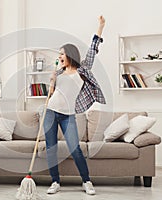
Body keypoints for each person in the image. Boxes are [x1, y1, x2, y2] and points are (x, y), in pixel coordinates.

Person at [43, 15, 106, 195]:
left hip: (68, 115)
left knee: (75, 148)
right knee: (51, 149)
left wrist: (100, 26)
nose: (59, 56)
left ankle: (86, 181)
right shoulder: (58, 73)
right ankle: (55, 181)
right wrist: (52, 81)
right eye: (59, 54)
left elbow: (93, 49)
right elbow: (52, 96)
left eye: (62, 53)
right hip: (50, 112)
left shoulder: (82, 70)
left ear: (70, 54)